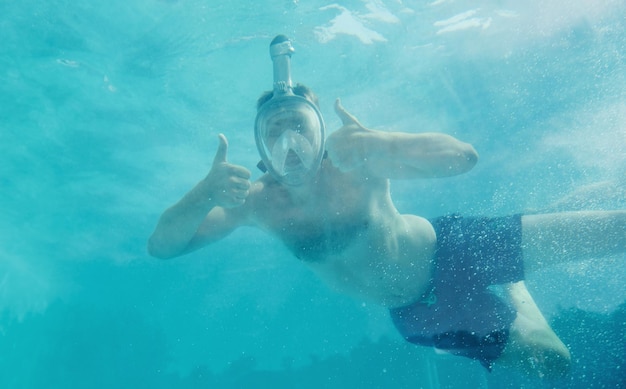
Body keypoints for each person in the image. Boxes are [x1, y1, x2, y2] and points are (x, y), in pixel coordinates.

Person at [148, 36, 626, 378]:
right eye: (275, 132)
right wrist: (203, 194)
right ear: (260, 147)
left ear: (321, 133)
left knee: (614, 232)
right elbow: (162, 248)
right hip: (416, 314)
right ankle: (518, 291)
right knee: (555, 364)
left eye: (301, 128)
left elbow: (463, 158)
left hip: (457, 248)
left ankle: (512, 274)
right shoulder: (256, 205)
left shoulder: (358, 162)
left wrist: (379, 141)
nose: (290, 142)